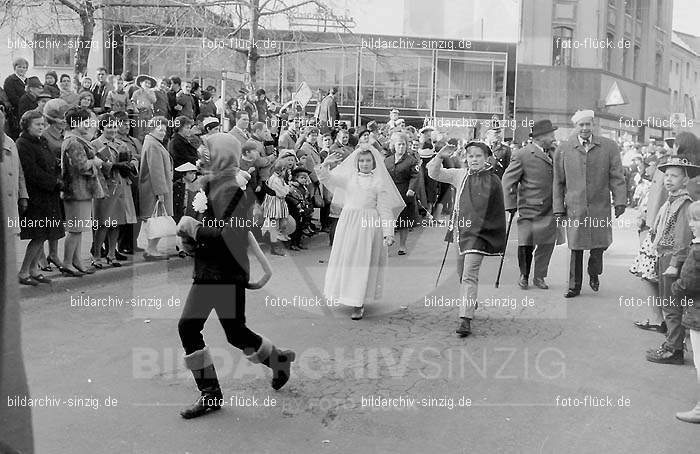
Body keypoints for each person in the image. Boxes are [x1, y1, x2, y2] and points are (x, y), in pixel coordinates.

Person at [175, 133, 295, 419]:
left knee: (190, 329)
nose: (201, 151)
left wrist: (193, 228)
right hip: (216, 270)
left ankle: (211, 394)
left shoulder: (230, 189)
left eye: (208, 148)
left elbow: (228, 235)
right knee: (234, 332)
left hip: (222, 273)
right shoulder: (216, 183)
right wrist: (192, 237)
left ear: (222, 155)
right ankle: (277, 360)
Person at [428, 141, 507, 337]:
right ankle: (470, 301)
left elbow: (498, 210)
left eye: (478, 156)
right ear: (466, 158)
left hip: (480, 234)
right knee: (462, 272)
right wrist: (439, 156)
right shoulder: (460, 175)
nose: (474, 159)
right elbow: (434, 174)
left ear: (487, 158)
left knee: (469, 274)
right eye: (471, 156)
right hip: (461, 232)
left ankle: (465, 318)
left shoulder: (494, 180)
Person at [317, 144, 405, 320]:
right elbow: (327, 179)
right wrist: (326, 164)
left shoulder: (379, 183)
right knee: (348, 259)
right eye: (362, 161)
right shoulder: (349, 178)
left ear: (373, 163)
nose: (364, 164)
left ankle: (358, 303)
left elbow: (385, 209)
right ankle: (345, 294)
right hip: (349, 223)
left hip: (369, 226)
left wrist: (388, 232)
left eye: (368, 161)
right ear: (357, 162)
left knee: (363, 262)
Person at [552, 109, 627, 298]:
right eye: (581, 125)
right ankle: (573, 286)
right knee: (575, 247)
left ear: (594, 125)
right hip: (575, 206)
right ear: (575, 126)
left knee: (599, 244)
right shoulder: (564, 148)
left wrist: (620, 201)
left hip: (599, 205)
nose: (585, 128)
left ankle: (594, 272)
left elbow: (617, 177)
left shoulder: (609, 147)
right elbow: (558, 182)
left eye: (588, 124)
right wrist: (558, 208)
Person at [645, 158, 699, 365]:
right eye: (666, 175)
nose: (668, 179)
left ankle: (674, 349)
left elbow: (682, 238)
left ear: (685, 180)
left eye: (674, 175)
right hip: (664, 255)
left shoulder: (684, 204)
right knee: (668, 303)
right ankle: (672, 343)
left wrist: (674, 264)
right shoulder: (671, 200)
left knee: (671, 305)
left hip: (672, 259)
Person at [501, 119, 560, 290]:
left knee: (547, 245)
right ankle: (524, 275)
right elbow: (507, 181)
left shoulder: (556, 152)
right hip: (530, 208)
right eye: (551, 135)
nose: (554, 138)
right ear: (541, 137)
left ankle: (540, 276)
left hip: (552, 208)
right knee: (526, 244)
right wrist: (510, 204)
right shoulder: (522, 154)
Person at [61, 107, 104, 276]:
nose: (88, 125)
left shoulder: (75, 140)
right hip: (77, 190)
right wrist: (95, 162)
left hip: (81, 191)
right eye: (84, 122)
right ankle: (67, 262)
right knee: (75, 230)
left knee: (78, 230)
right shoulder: (73, 142)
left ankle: (76, 260)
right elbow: (81, 166)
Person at [91, 114, 137, 268]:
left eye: (114, 126)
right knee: (103, 223)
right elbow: (95, 165)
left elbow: (132, 158)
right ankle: (97, 255)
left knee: (116, 222)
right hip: (105, 188)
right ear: (101, 128)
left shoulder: (121, 143)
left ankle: (112, 253)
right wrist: (112, 166)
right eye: (108, 127)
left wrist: (131, 165)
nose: (112, 130)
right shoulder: (95, 144)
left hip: (122, 186)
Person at [672, 200, 700, 423]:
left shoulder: (698, 251)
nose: (691, 223)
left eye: (696, 219)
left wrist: (676, 287)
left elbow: (688, 282)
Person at [40, 99, 70, 273]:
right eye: (61, 117)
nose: (65, 120)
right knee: (44, 221)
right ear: (52, 118)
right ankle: (41, 257)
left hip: (61, 182)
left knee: (56, 221)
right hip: (49, 182)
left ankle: (53, 254)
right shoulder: (44, 135)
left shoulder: (63, 134)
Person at [139, 116, 173, 260]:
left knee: (155, 220)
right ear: (152, 128)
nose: (163, 132)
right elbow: (156, 171)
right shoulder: (153, 145)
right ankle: (151, 249)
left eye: (165, 130)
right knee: (157, 220)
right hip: (156, 189)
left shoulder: (152, 142)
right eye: (160, 129)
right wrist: (160, 192)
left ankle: (152, 248)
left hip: (153, 188)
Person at [385, 132, 419, 255]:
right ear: (394, 145)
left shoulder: (412, 161)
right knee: (388, 220)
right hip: (389, 194)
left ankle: (402, 245)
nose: (401, 147)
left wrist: (411, 189)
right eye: (399, 144)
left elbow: (415, 176)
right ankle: (387, 243)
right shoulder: (387, 161)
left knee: (403, 221)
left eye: (403, 145)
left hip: (405, 194)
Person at [168, 116, 198, 222]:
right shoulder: (176, 142)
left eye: (190, 127)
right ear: (180, 128)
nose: (189, 130)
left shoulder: (184, 140)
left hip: (186, 177)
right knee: (181, 208)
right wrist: (196, 162)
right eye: (187, 128)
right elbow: (181, 159)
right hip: (180, 178)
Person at [261, 160, 291, 256]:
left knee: (279, 226)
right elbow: (282, 193)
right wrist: (287, 188)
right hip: (274, 205)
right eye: (285, 170)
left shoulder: (280, 179)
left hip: (279, 204)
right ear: (280, 170)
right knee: (274, 227)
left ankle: (277, 246)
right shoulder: (274, 179)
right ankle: (275, 248)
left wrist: (286, 187)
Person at [286, 167, 313, 250]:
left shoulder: (304, 188)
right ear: (296, 178)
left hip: (303, 210)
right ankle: (293, 244)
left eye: (305, 178)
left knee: (301, 227)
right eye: (302, 178)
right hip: (294, 210)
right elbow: (288, 197)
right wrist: (296, 203)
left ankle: (298, 242)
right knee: (295, 227)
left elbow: (307, 198)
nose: (304, 180)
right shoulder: (292, 187)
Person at [3, 57, 29, 139]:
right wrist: (25, 104)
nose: (22, 69)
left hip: (28, 110)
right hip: (16, 112)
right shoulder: (10, 80)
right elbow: (12, 97)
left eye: (24, 67)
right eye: (20, 67)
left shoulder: (28, 80)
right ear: (15, 67)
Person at [130, 75, 157, 142]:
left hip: (148, 112)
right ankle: (139, 144)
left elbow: (154, 100)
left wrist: (148, 93)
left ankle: (146, 143)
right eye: (146, 83)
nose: (147, 85)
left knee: (148, 129)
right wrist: (135, 108)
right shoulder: (136, 93)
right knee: (139, 130)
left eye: (149, 83)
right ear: (141, 83)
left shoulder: (151, 92)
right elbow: (133, 101)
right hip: (140, 112)